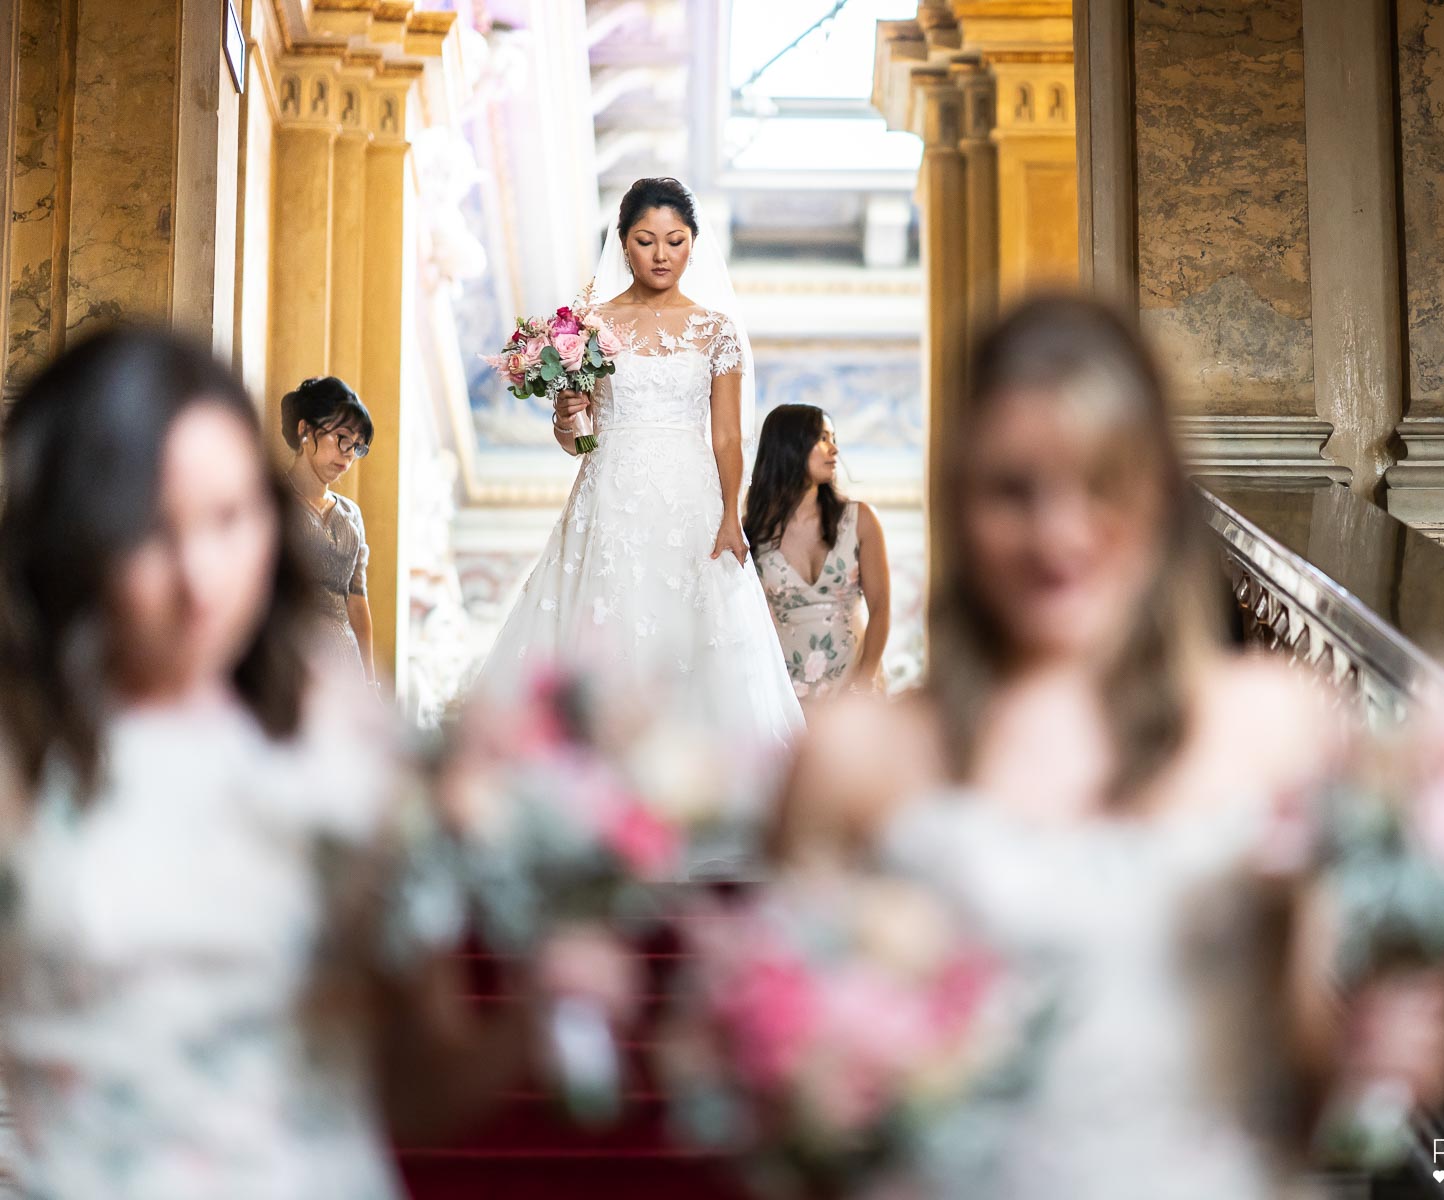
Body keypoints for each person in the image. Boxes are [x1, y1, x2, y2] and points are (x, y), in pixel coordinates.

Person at [774, 296, 1444, 1199]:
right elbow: (801, 1126)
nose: (1060, 534)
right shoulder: (855, 757)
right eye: (1013, 490)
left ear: (1159, 501)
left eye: (1103, 484)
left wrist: (1380, 1053)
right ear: (959, 499)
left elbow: (1303, 1077)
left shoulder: (1279, 728)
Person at [0, 329, 622, 1200]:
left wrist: (536, 1007)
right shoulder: (24, 748)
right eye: (149, 530)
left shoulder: (346, 742)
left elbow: (419, 1094)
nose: (199, 576)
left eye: (228, 520)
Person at [479, 176, 801, 766]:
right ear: (623, 242)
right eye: (646, 240)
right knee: (606, 627)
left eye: (675, 242)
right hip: (608, 496)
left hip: (692, 502)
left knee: (695, 638)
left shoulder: (715, 330)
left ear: (693, 245)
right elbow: (577, 442)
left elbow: (727, 436)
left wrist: (733, 516)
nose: (661, 255)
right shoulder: (587, 325)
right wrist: (563, 412)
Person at [745, 404, 890, 702]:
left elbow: (882, 608)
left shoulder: (860, 519)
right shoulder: (751, 532)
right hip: (783, 692)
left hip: (856, 686)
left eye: (833, 438)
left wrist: (862, 684)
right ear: (789, 446)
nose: (834, 449)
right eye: (822, 438)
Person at [280, 375, 377, 683]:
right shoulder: (274, 502)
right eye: (342, 438)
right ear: (305, 430)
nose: (349, 452)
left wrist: (370, 682)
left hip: (345, 662)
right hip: (292, 658)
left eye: (357, 446)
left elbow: (357, 601)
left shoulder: (351, 514)